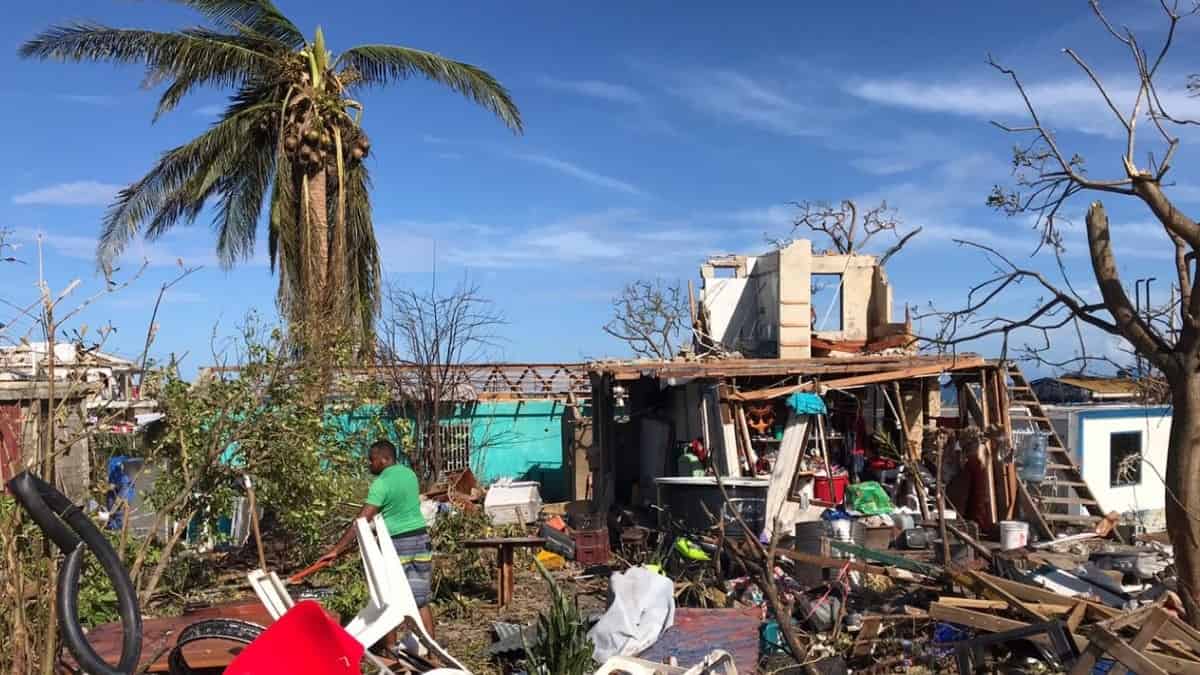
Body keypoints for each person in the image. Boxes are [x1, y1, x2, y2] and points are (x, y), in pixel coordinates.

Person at [318, 439, 435, 638]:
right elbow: (399, 508)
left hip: (397, 545)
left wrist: (336, 550)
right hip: (421, 540)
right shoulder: (409, 475)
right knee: (420, 600)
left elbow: (361, 521)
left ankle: (390, 650)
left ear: (385, 459)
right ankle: (433, 654)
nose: (369, 464)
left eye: (372, 460)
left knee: (388, 598)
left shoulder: (380, 484)